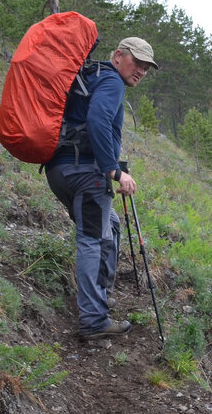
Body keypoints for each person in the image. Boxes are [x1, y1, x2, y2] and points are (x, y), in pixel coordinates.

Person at [45, 36, 158, 339]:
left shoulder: (91, 76)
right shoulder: (112, 82)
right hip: (85, 172)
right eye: (137, 63)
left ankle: (100, 295)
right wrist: (113, 170)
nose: (141, 71)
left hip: (60, 170)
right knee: (93, 239)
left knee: (111, 224)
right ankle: (94, 319)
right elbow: (97, 120)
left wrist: (114, 166)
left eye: (146, 67)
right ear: (119, 55)